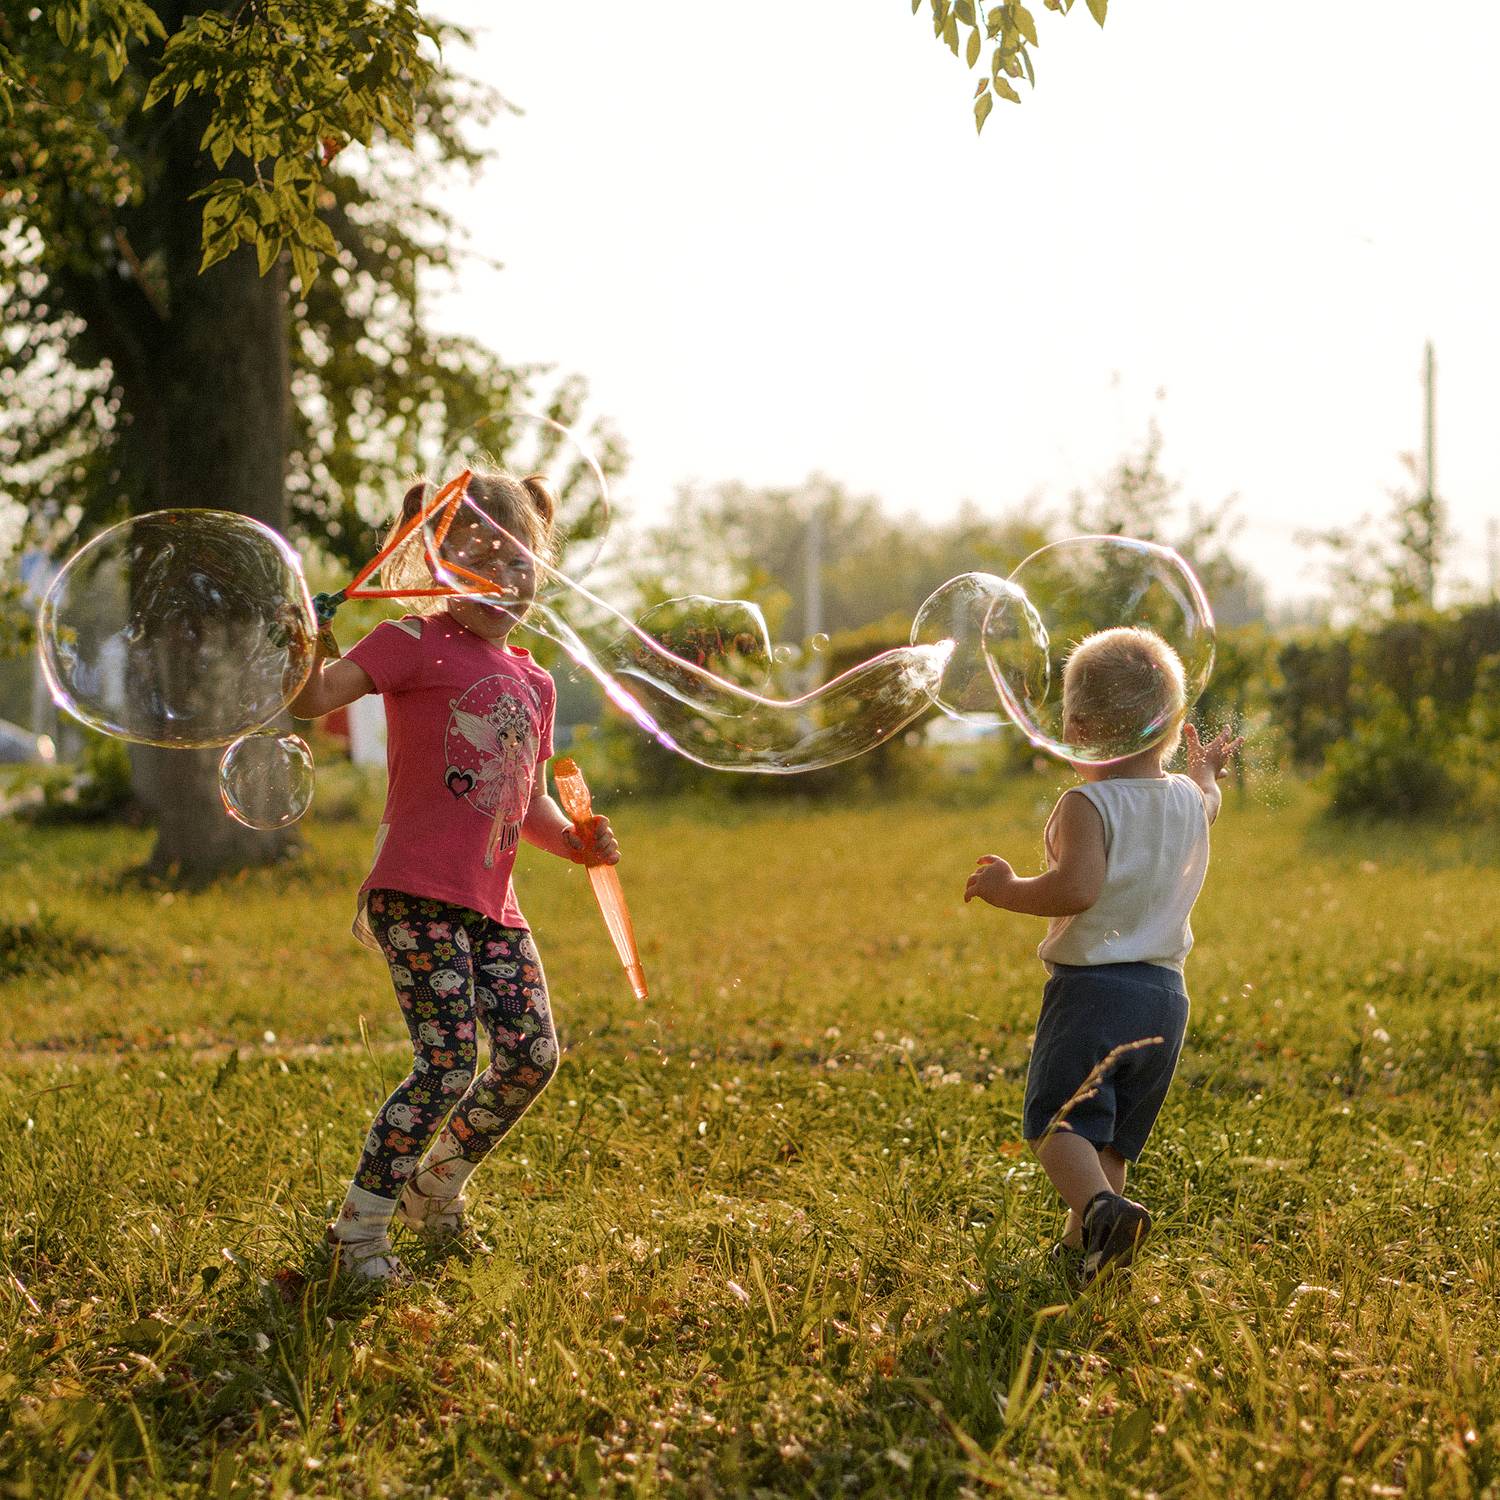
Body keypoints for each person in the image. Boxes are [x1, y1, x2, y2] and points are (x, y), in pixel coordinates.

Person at [288, 474, 620, 1283]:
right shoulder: (408, 641)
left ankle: (435, 1189)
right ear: (437, 566)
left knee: (531, 1056)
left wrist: (577, 844)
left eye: (519, 562)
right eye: (478, 561)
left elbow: (527, 800)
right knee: (445, 1065)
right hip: (415, 892)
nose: (503, 578)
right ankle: (358, 1234)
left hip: (493, 904)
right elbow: (312, 700)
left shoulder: (535, 681)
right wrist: (307, 639)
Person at [964, 626, 1241, 1284]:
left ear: (1080, 729)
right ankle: (1086, 1257)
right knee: (1109, 1137)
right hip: (1166, 1001)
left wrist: (1006, 889)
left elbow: (1076, 889)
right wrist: (1206, 771)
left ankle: (1098, 1211)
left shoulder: (1085, 803)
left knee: (1056, 1124)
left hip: (1094, 994)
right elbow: (1210, 800)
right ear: (1168, 728)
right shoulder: (1187, 799)